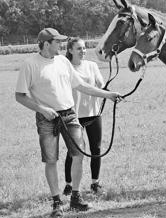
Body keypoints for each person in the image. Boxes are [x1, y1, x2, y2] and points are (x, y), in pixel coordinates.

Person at [15, 28, 121, 217]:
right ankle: (56, 202)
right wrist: (42, 109)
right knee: (51, 160)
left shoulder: (63, 61)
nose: (61, 45)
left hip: (69, 115)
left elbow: (81, 85)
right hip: (47, 118)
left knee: (78, 154)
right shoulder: (30, 64)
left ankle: (75, 197)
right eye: (58, 42)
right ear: (46, 44)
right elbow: (20, 96)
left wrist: (109, 95)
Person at [63, 37, 104, 195]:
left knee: (96, 149)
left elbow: (100, 84)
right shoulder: (66, 68)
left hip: (93, 114)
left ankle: (95, 183)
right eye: (79, 48)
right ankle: (68, 184)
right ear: (70, 50)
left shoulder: (92, 66)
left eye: (84, 48)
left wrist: (101, 85)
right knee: (73, 152)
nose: (83, 51)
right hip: (74, 115)